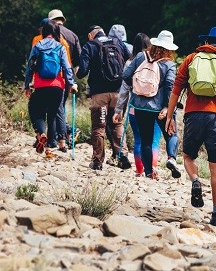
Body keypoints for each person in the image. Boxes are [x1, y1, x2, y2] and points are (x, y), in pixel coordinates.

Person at [166, 26, 216, 227]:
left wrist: (169, 116)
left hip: (192, 115)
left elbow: (176, 88)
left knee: (188, 156)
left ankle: (196, 180)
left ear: (206, 42)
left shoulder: (190, 59)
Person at [122, 30, 180, 180]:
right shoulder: (169, 65)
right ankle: (171, 158)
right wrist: (168, 107)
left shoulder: (141, 56)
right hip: (161, 107)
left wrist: (137, 89)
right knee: (172, 134)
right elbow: (169, 86)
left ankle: (149, 172)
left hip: (140, 106)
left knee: (145, 140)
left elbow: (126, 76)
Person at [77, 25, 131, 170]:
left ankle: (97, 161)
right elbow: (128, 58)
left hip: (99, 94)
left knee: (98, 127)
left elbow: (82, 71)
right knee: (117, 124)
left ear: (90, 35)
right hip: (118, 92)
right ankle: (122, 156)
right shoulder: (117, 42)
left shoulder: (90, 45)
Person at [113, 33, 165, 175]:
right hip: (155, 108)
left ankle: (140, 170)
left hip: (135, 108)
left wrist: (118, 110)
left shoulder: (131, 62)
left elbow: (124, 90)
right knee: (153, 140)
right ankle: (152, 168)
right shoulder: (160, 62)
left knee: (139, 140)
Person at [24, 21, 77, 157]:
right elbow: (67, 68)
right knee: (52, 116)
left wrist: (27, 86)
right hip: (57, 86)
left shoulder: (37, 46)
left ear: (43, 32)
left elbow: (30, 67)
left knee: (36, 111)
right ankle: (49, 149)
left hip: (40, 86)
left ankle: (41, 133)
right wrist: (70, 84)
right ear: (55, 33)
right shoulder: (60, 47)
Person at [47, 9, 81, 150]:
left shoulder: (47, 34)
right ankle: (63, 133)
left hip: (51, 75)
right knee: (60, 105)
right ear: (62, 20)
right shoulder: (72, 35)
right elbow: (78, 60)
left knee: (55, 106)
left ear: (51, 21)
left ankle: (65, 132)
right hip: (68, 75)